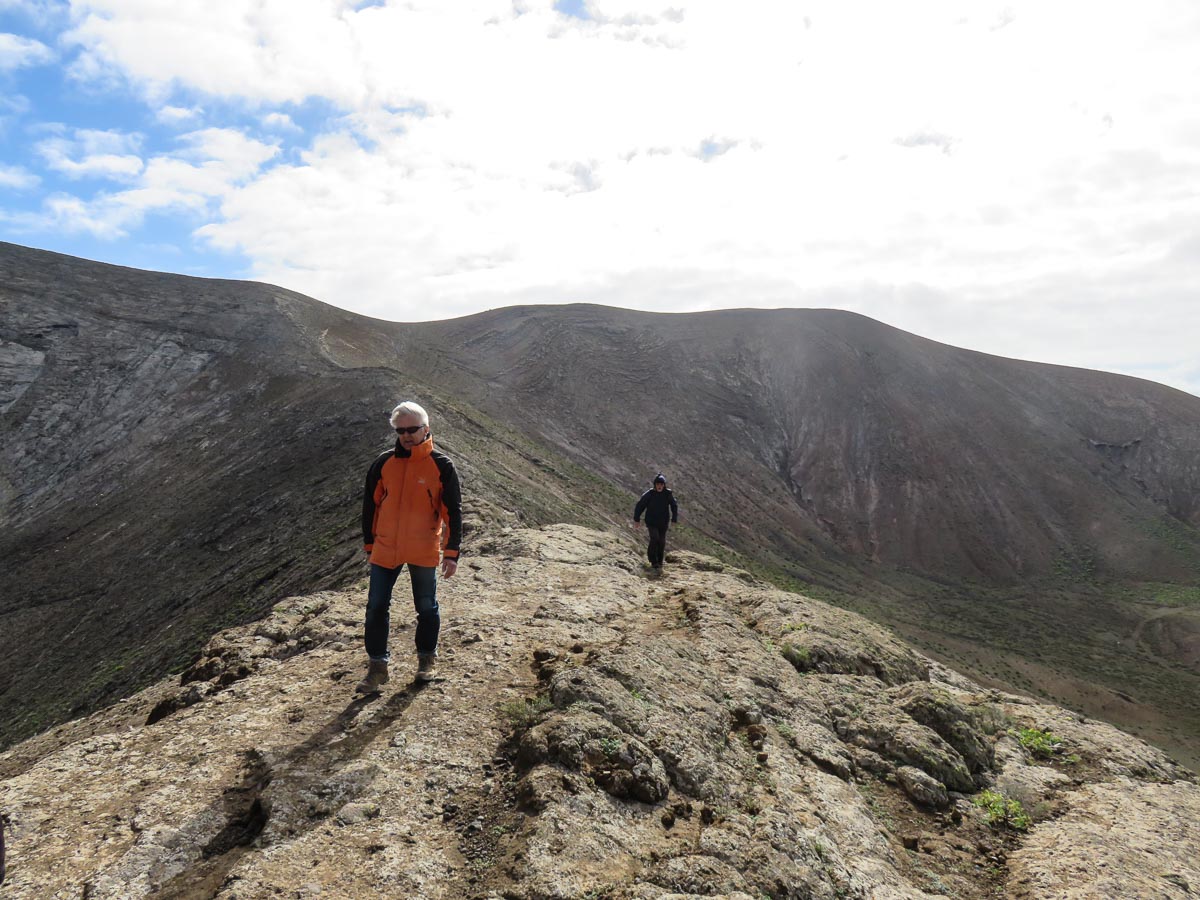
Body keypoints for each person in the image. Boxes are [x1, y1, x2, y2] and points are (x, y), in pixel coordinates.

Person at [358, 401, 462, 692]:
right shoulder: (383, 463)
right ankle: (377, 668)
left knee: (426, 607)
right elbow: (370, 506)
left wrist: (451, 552)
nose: (406, 435)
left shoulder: (441, 465)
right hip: (385, 547)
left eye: (412, 429)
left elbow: (453, 511)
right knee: (376, 607)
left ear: (426, 429)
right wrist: (370, 543)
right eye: (400, 430)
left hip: (422, 546)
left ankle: (427, 661)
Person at [633, 473, 678, 569]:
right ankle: (653, 560)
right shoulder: (649, 494)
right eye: (658, 484)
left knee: (661, 541)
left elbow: (674, 505)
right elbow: (640, 505)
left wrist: (674, 518)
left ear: (664, 485)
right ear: (655, 485)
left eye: (661, 484)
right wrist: (637, 519)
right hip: (651, 522)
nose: (659, 486)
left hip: (663, 522)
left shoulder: (668, 494)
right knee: (654, 538)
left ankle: (660, 562)